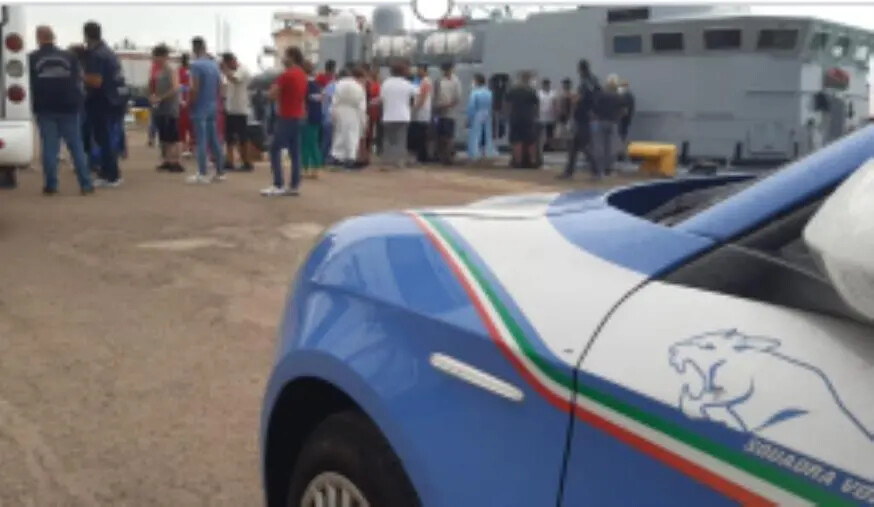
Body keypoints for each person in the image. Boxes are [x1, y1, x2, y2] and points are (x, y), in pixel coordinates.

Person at [29, 26, 92, 195]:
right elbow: (80, 78)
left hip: (45, 107)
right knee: (76, 146)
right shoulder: (70, 57)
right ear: (53, 37)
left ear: (39, 38)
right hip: (70, 107)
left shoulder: (32, 58)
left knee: (50, 148)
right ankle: (86, 184)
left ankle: (51, 185)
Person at [83, 20, 126, 187]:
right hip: (115, 99)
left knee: (103, 138)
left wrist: (80, 75)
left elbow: (96, 81)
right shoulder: (109, 52)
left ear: (86, 35)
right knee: (109, 137)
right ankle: (108, 171)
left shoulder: (96, 55)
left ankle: (111, 174)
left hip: (101, 101)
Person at [263, 46, 307, 197]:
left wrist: (267, 92)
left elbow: (272, 95)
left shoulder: (286, 75)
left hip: (286, 115)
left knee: (275, 148)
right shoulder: (302, 75)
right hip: (298, 115)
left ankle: (278, 183)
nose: (283, 59)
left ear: (291, 57)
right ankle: (294, 185)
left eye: (285, 56)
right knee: (295, 152)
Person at [187, 37, 225, 184]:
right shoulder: (213, 64)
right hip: (212, 105)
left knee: (201, 140)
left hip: (200, 106)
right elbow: (220, 85)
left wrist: (191, 102)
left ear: (194, 49)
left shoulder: (195, 65)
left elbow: (194, 87)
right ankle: (220, 171)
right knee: (214, 139)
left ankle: (202, 172)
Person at [560, 59, 600, 180]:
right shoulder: (593, 80)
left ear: (581, 69)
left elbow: (582, 97)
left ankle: (596, 171)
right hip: (584, 115)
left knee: (584, 145)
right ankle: (569, 171)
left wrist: (572, 98)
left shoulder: (586, 81)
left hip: (582, 116)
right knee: (574, 145)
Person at [378, 60, 418, 170]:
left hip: (388, 115)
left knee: (388, 140)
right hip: (402, 115)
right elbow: (418, 93)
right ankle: (399, 162)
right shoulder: (407, 84)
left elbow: (381, 99)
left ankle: (387, 161)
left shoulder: (386, 83)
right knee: (400, 140)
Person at [150, 44, 183, 173]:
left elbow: (175, 88)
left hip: (170, 108)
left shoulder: (171, 70)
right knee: (164, 136)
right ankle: (167, 160)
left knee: (172, 137)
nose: (155, 60)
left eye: (157, 57)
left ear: (164, 57)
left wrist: (161, 97)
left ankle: (175, 161)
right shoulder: (159, 71)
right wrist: (154, 97)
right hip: (161, 109)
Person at [220, 52, 253, 172]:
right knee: (229, 138)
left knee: (243, 137)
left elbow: (235, 79)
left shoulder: (242, 69)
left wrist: (224, 70)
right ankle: (229, 161)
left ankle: (247, 162)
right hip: (230, 108)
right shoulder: (229, 72)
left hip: (241, 109)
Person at [330, 67, 367, 170]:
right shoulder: (359, 87)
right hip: (353, 112)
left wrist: (333, 113)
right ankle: (350, 158)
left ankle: (336, 157)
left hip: (340, 110)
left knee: (339, 134)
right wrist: (363, 121)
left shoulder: (340, 84)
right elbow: (362, 106)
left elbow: (334, 100)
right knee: (352, 135)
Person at [590, 74, 625, 177]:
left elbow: (593, 109)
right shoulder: (619, 96)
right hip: (613, 123)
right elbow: (623, 111)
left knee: (599, 146)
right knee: (611, 148)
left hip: (600, 122)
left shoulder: (601, 95)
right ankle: (608, 169)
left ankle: (599, 170)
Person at [505, 70, 540, 168]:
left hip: (515, 117)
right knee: (531, 140)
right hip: (528, 118)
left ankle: (518, 162)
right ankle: (533, 162)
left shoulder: (512, 90)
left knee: (517, 141)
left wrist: (509, 115)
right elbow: (536, 105)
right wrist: (536, 116)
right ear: (528, 80)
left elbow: (507, 105)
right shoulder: (531, 91)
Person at [434, 62, 462, 165]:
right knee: (440, 135)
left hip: (450, 113)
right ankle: (441, 156)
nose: (446, 72)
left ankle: (449, 157)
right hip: (440, 111)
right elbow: (436, 94)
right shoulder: (439, 80)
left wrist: (448, 105)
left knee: (448, 136)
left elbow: (457, 98)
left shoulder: (456, 81)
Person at [466, 73, 497, 163]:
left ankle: (474, 155)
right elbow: (492, 106)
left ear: (476, 81)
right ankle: (488, 153)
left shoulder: (475, 93)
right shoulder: (489, 92)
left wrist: (469, 118)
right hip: (488, 114)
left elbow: (471, 107)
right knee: (487, 134)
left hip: (477, 114)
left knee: (475, 135)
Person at [302, 61, 324, 178]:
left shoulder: (307, 84)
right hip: (315, 116)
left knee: (307, 143)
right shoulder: (315, 84)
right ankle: (313, 167)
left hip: (307, 116)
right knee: (312, 142)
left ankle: (307, 167)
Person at [408, 65, 432, 164]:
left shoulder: (425, 81)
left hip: (422, 112)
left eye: (420, 70)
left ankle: (422, 156)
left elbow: (423, 96)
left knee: (421, 135)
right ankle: (421, 155)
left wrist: (415, 108)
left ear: (424, 70)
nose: (418, 72)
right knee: (420, 135)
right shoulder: (421, 81)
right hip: (420, 112)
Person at [177, 53, 193, 156]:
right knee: (182, 125)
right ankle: (184, 148)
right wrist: (180, 100)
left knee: (192, 125)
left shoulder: (193, 71)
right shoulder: (179, 71)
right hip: (182, 101)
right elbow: (178, 86)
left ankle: (191, 148)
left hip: (192, 100)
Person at [320, 72, 337, 164]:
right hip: (330, 116)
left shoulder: (328, 86)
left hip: (325, 114)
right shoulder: (334, 86)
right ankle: (325, 159)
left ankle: (324, 158)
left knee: (326, 139)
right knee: (328, 139)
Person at [617, 79, 635, 159]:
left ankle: (621, 154)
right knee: (622, 136)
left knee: (621, 137)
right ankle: (621, 154)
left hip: (623, 121)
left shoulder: (626, 96)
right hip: (626, 121)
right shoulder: (629, 95)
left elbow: (625, 110)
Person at [538, 78, 557, 152]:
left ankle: (549, 145)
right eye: (545, 84)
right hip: (541, 115)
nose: (546, 85)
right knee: (541, 132)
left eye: (547, 84)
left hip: (551, 116)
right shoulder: (539, 93)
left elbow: (555, 104)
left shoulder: (553, 93)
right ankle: (541, 146)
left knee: (550, 132)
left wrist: (556, 114)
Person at [555, 78, 573, 146]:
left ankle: (568, 146)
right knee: (559, 134)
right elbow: (557, 105)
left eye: (567, 84)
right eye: (564, 84)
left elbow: (574, 106)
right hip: (561, 116)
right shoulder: (559, 93)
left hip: (569, 116)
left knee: (569, 134)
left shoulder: (572, 93)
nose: (565, 85)